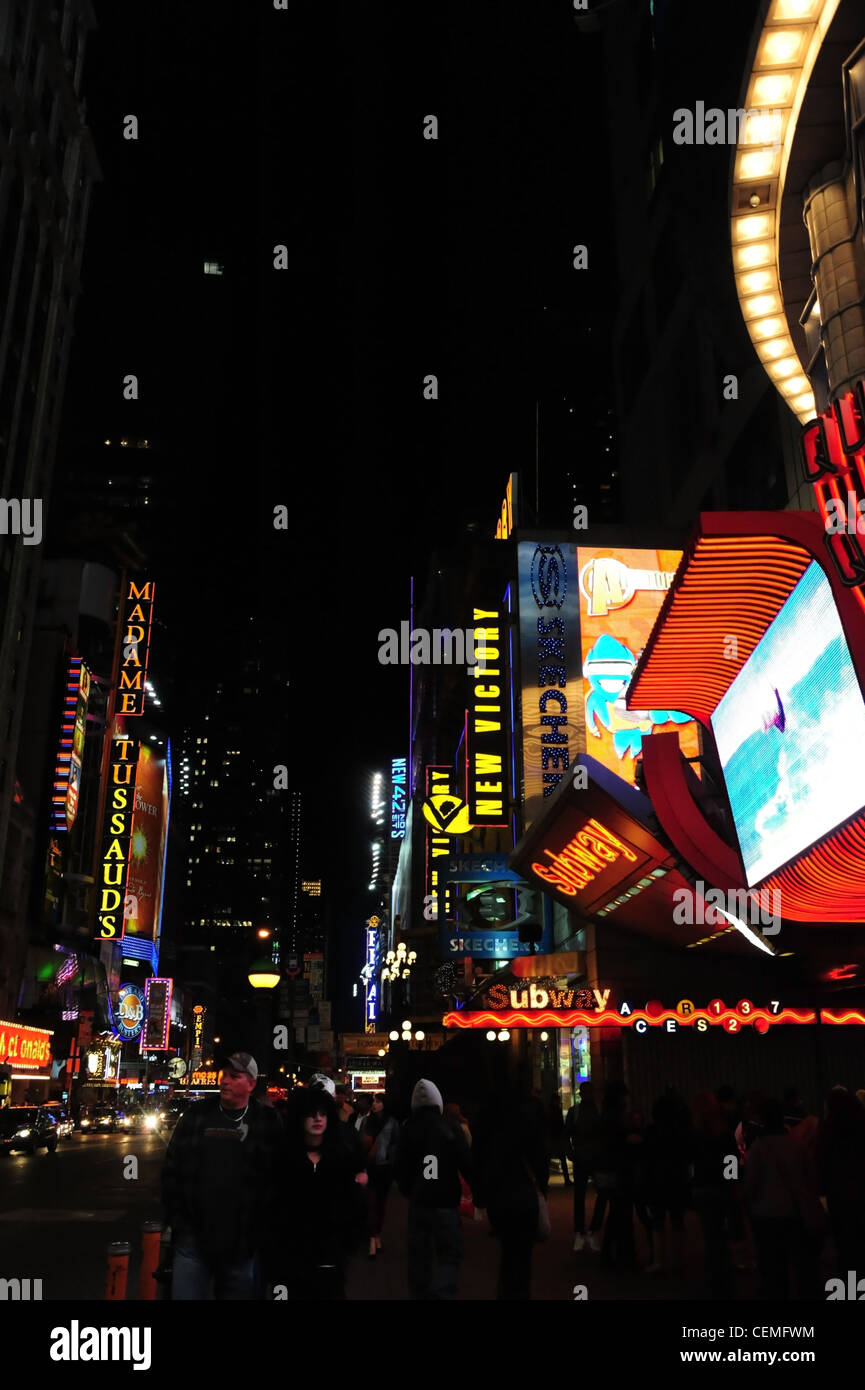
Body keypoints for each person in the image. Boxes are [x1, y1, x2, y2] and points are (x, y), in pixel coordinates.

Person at [162, 1053, 283, 1299]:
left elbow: (277, 1177)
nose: (224, 1080)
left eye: (234, 1076)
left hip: (242, 1243)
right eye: (224, 1074)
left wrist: (262, 1230)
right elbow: (172, 1167)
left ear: (250, 1083)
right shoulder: (196, 1115)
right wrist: (176, 1220)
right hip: (193, 1239)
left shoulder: (267, 1121)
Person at [274, 1085, 368, 1299]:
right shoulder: (283, 1158)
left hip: (330, 1259)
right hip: (291, 1259)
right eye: (311, 1113)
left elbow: (355, 1205)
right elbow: (274, 1206)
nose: (318, 1118)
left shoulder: (340, 1158)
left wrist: (345, 1246)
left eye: (323, 1113)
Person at [394, 1078, 473, 1299]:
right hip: (446, 1202)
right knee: (449, 1255)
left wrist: (409, 1190)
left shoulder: (408, 1128)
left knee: (419, 1258)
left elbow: (400, 1167)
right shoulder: (451, 1127)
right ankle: (441, 1294)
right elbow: (466, 1162)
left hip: (419, 1203)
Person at [745, 1097, 825, 1300]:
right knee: (802, 1267)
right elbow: (811, 1179)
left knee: (774, 1269)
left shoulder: (759, 1148)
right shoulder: (796, 1146)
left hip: (766, 1215)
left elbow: (751, 1184)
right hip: (794, 1213)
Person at [474, 1091, 550, 1299]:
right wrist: (542, 1191)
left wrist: (482, 1195)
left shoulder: (493, 1126)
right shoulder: (529, 1124)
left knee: (508, 1255)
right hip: (525, 1196)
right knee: (523, 1257)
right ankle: (520, 1293)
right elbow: (541, 1160)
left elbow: (481, 1161)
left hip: (502, 1198)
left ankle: (507, 1293)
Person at [691, 1091, 735, 1298]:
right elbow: (730, 1160)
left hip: (703, 1187)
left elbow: (691, 1163)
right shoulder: (723, 1133)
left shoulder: (696, 1134)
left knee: (710, 1236)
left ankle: (716, 1279)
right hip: (720, 1187)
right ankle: (723, 1278)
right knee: (721, 1234)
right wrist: (732, 1183)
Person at [817, 1086, 865, 1277]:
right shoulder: (861, 1126)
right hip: (860, 1194)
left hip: (839, 1197)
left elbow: (821, 1164)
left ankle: (850, 1287)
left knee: (845, 1248)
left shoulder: (828, 1131)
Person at [644, 1089, 692, 1275]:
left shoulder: (652, 1131)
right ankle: (678, 1260)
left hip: (657, 1181)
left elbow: (647, 1159)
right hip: (677, 1179)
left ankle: (659, 1260)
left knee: (658, 1222)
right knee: (677, 1220)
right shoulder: (682, 1131)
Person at [566, 1081, 605, 1253]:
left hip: (590, 1156)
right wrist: (571, 1152)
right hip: (588, 1157)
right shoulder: (590, 1112)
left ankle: (583, 1231)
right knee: (587, 1194)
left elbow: (566, 1134)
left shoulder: (579, 1112)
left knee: (586, 1195)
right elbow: (566, 1134)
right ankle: (585, 1231)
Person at [365, 1092, 399, 1258]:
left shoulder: (392, 1123)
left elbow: (395, 1145)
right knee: (371, 1202)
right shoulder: (367, 1121)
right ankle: (372, 1237)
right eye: (374, 1101)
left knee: (381, 1204)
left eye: (378, 1101)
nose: (375, 1104)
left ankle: (377, 1234)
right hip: (370, 1167)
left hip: (385, 1168)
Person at [548, 1092, 571, 1185]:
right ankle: (566, 1179)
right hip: (557, 1138)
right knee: (562, 1159)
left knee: (549, 1159)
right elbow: (559, 1124)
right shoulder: (556, 1111)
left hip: (554, 1138)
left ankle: (545, 1180)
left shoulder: (551, 1111)